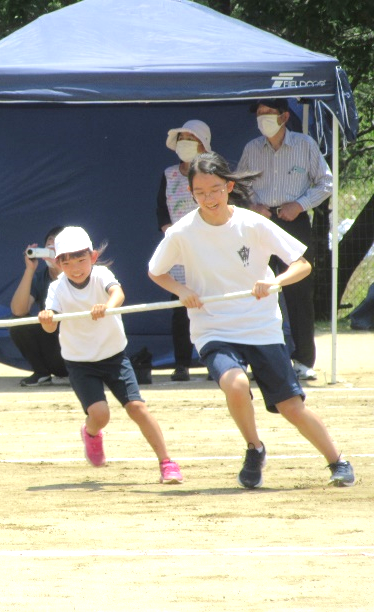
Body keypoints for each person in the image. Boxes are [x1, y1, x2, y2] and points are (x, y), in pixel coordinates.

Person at [148, 152, 355, 488]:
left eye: (215, 190)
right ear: (191, 193)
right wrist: (181, 289)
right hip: (213, 326)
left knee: (291, 406)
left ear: (229, 187)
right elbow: (156, 271)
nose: (208, 198)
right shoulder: (182, 232)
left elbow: (302, 264)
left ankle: (338, 461)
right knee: (236, 384)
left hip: (261, 326)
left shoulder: (252, 223)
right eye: (200, 192)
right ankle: (254, 448)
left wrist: (275, 282)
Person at [37, 226, 184, 484]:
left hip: (114, 356)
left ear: (93, 257)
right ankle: (91, 433)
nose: (75, 268)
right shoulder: (56, 288)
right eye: (67, 263)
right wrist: (47, 318)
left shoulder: (101, 275)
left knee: (137, 407)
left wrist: (106, 307)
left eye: (81, 260)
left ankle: (167, 462)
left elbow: (118, 293)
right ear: (58, 264)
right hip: (80, 362)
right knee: (100, 415)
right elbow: (50, 327)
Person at [237, 98, 332, 381]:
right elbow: (239, 184)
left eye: (269, 112)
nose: (263, 117)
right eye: (259, 113)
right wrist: (253, 206)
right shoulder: (252, 148)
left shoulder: (305, 145)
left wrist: (300, 205)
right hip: (260, 223)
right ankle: (259, 359)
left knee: (298, 291)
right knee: (257, 288)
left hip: (294, 221)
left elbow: (326, 182)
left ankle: (303, 360)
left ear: (285, 116)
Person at [156, 119, 212, 381]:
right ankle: (181, 363)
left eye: (191, 139)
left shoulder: (212, 172)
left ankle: (216, 362)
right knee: (180, 308)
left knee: (212, 306)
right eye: (183, 139)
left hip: (210, 247)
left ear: (203, 144)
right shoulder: (168, 174)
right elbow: (161, 210)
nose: (186, 144)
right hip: (179, 249)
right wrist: (171, 233)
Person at [9, 225, 70, 387]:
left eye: (56, 247)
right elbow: (18, 311)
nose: (51, 252)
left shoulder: (79, 274)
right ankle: (42, 373)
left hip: (79, 348)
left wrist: (61, 267)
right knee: (18, 323)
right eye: (49, 246)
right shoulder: (39, 277)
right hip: (54, 349)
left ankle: (82, 374)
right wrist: (29, 270)